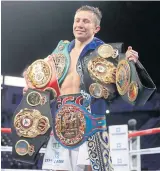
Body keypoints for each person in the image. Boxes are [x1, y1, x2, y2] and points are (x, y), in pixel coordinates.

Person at [23, 5, 140, 171]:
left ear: (96, 28)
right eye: (77, 20)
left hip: (92, 122)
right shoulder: (60, 50)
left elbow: (124, 80)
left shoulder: (105, 52)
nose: (80, 24)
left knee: (95, 168)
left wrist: (129, 62)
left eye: (86, 21)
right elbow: (37, 73)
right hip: (61, 122)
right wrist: (31, 86)